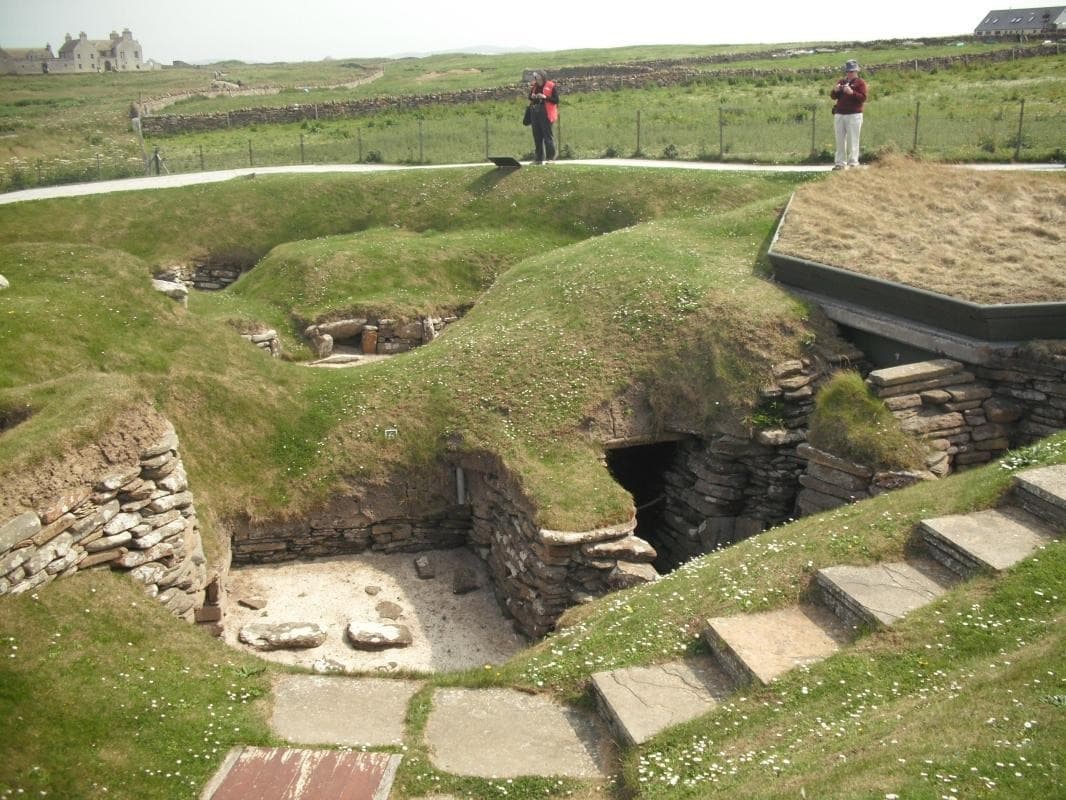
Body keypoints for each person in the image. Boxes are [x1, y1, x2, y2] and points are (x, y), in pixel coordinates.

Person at [830, 59, 867, 169]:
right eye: (848, 71)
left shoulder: (860, 83)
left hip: (854, 115)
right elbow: (833, 96)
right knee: (840, 140)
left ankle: (853, 163)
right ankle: (840, 163)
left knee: (853, 140)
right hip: (840, 114)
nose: (850, 73)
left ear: (856, 71)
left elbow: (863, 98)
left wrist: (852, 93)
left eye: (852, 71)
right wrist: (835, 90)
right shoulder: (841, 81)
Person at [527, 70, 558, 164]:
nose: (537, 77)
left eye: (538, 75)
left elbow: (556, 100)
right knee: (537, 136)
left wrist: (545, 97)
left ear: (543, 76)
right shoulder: (534, 86)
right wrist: (533, 96)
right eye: (536, 76)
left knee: (547, 136)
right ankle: (538, 159)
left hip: (546, 112)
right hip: (535, 112)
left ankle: (550, 158)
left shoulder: (551, 85)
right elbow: (529, 97)